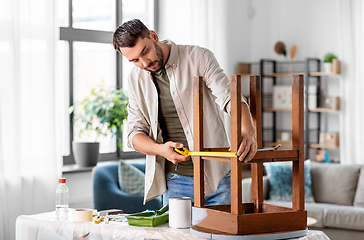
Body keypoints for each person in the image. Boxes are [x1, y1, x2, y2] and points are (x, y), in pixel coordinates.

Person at [112, 19, 257, 206]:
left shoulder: (199, 57)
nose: (144, 63)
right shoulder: (135, 79)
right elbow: (133, 134)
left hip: (217, 177)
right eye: (134, 61)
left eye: (145, 51)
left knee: (223, 235)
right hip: (174, 181)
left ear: (153, 36)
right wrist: (161, 150)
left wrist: (247, 129)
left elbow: (229, 97)